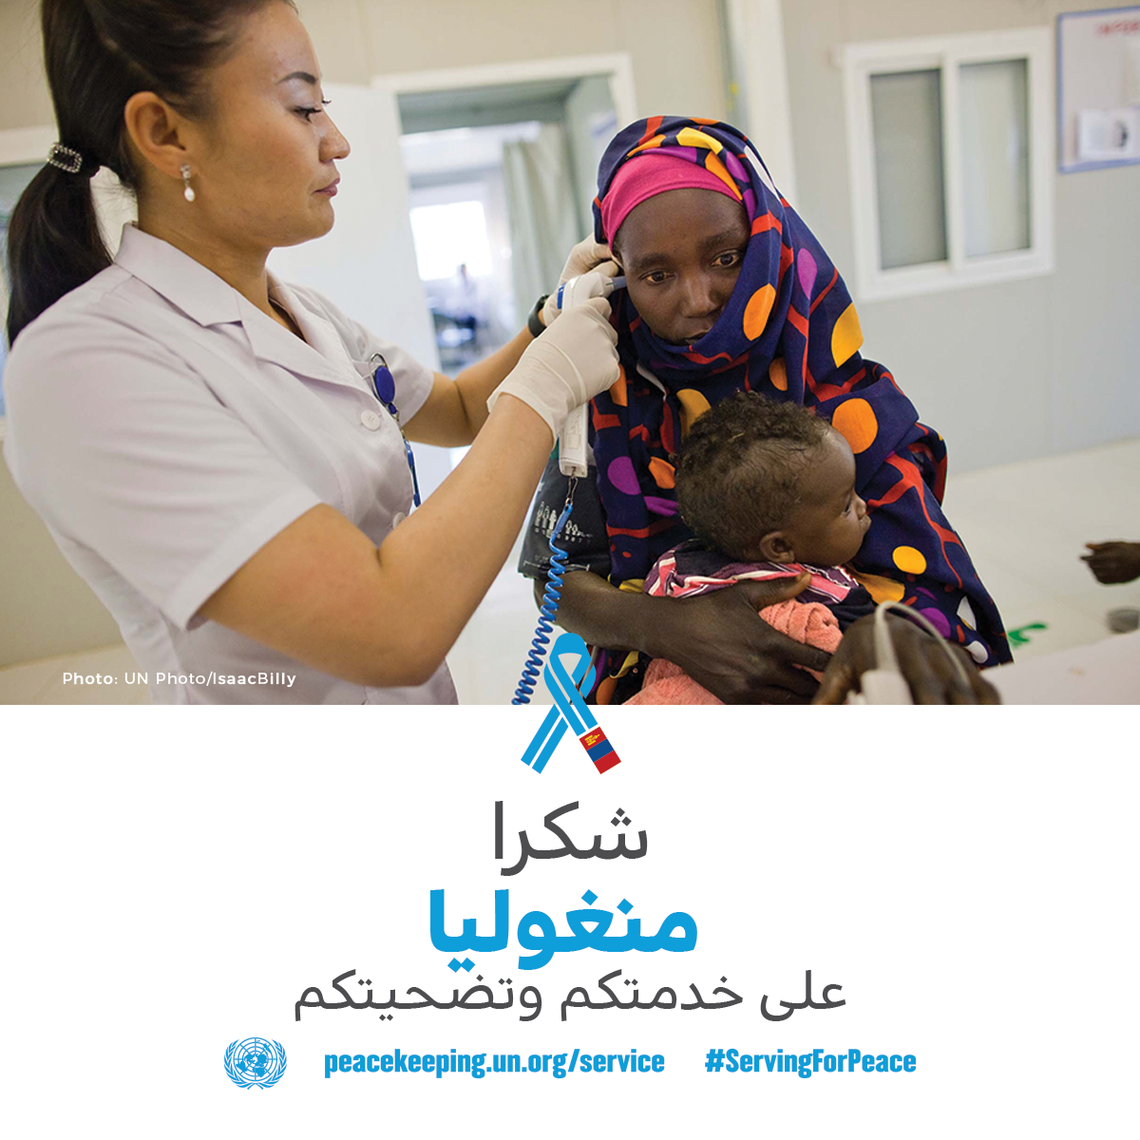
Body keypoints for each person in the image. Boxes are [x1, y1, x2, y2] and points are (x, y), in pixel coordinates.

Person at [2, 0, 618, 704]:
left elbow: (455, 409)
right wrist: (543, 390)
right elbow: (391, 626)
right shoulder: (83, 363)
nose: (338, 142)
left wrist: (549, 316)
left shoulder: (301, 311)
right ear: (165, 133)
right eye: (303, 108)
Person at [520, 116, 1005, 705]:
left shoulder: (845, 398)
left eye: (726, 258)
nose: (698, 300)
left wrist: (880, 633)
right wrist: (667, 627)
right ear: (619, 275)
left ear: (770, 244)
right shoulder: (605, 401)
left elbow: (926, 582)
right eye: (657, 274)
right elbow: (557, 577)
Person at [627, 392, 877, 704]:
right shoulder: (827, 592)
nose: (863, 506)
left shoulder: (677, 565)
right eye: (845, 506)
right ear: (780, 546)